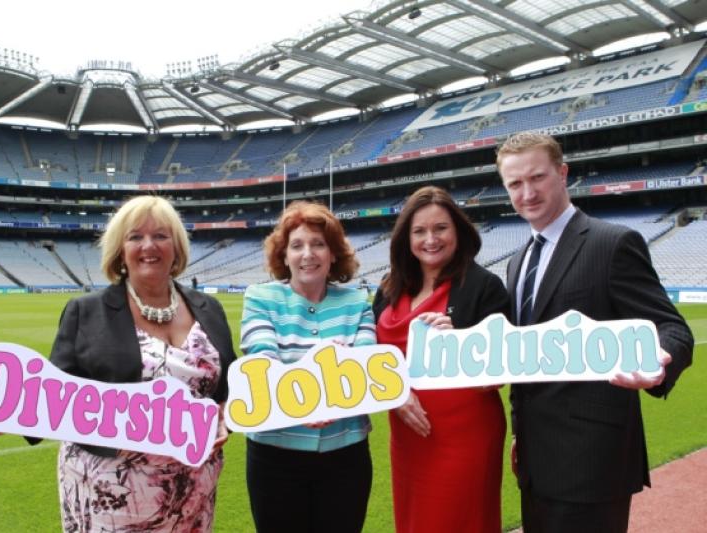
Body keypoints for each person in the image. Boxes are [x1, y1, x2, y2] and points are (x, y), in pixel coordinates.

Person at [0, 195, 237, 532]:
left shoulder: (209, 309)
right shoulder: (86, 312)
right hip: (110, 493)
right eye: (135, 237)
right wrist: (10, 412)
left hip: (194, 490)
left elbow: (228, 390)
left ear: (177, 247)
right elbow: (56, 393)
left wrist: (226, 416)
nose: (148, 245)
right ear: (120, 251)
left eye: (160, 236)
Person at [497, 132, 693, 533]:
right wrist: (521, 433)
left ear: (562, 173)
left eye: (537, 177)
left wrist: (659, 362)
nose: (527, 193)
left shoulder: (612, 243)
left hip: (593, 461)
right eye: (515, 183)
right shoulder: (518, 262)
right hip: (535, 461)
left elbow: (673, 328)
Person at [373, 185, 510, 533]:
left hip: (467, 436)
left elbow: (503, 368)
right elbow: (372, 358)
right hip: (408, 434)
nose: (430, 239)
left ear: (458, 231)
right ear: (406, 238)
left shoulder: (484, 286)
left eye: (440, 228)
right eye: (419, 231)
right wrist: (395, 394)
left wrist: (461, 344)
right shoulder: (389, 287)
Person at [240, 201, 376, 533]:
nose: (308, 254)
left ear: (333, 254)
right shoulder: (260, 297)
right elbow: (262, 359)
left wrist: (346, 367)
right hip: (275, 456)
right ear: (284, 255)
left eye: (318, 244)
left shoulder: (357, 301)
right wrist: (324, 371)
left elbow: (366, 365)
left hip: (346, 454)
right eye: (297, 245)